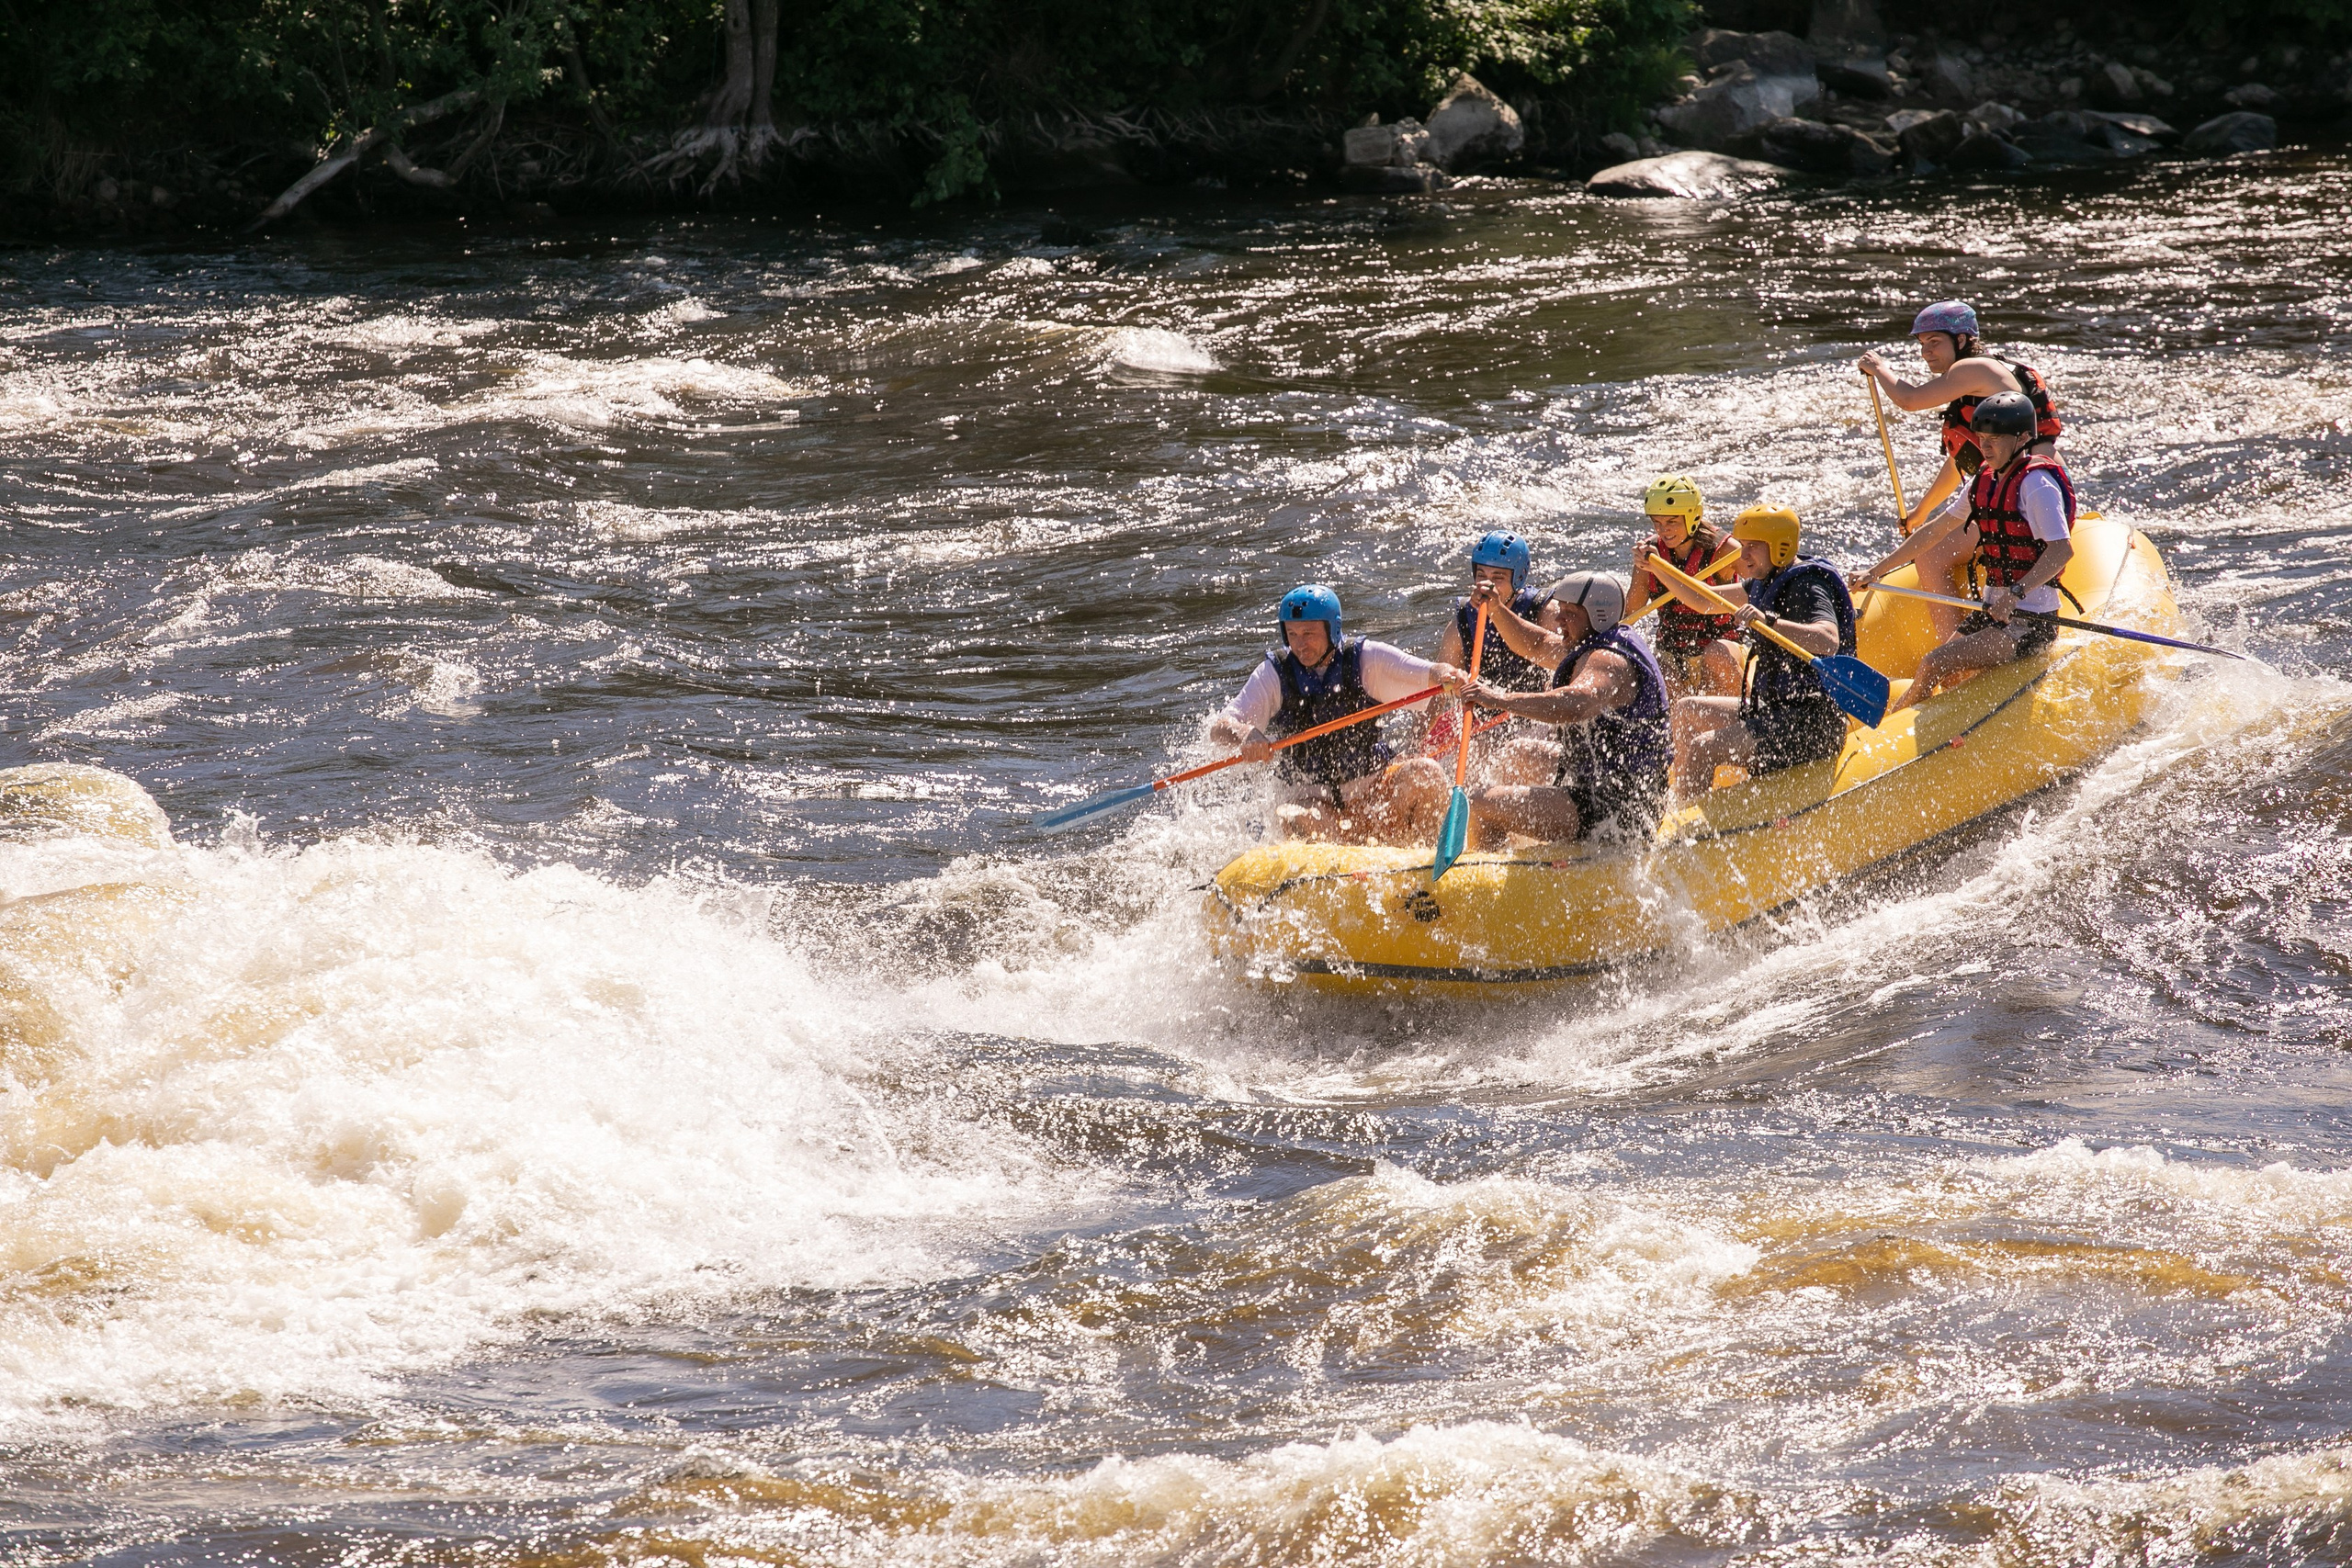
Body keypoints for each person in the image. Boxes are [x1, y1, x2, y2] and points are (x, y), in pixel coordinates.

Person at [1853, 392, 2077, 714]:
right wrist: (1875, 571)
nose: (1985, 447)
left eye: (1996, 439)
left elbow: (2061, 550)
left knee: (1933, 662)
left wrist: (2015, 594)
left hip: (2030, 621)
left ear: (2024, 438)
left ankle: (1888, 728)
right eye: (1982, 438)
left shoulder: (2037, 485)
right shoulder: (1983, 479)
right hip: (1993, 612)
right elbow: (1935, 530)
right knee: (1951, 674)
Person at [1858, 301, 2064, 640]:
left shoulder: (1974, 370)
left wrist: (1879, 368)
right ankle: (1963, 642)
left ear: (1964, 340)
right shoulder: (1975, 387)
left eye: (1935, 342)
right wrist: (1920, 513)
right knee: (1939, 539)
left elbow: (1908, 400)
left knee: (1930, 556)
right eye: (1922, 345)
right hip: (2012, 492)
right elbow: (1961, 461)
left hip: (2027, 499)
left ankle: (1955, 650)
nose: (1926, 353)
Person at [1209, 584, 1469, 842]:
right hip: (1314, 803)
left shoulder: (1366, 659)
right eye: (1293, 634)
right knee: (1296, 814)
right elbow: (1221, 727)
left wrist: (1448, 675)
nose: (1301, 645)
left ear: (1332, 629)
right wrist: (1246, 734)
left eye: (1309, 633)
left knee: (1426, 772)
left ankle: (1429, 860)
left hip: (1374, 794)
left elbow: (1430, 673)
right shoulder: (1273, 674)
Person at [1660, 506, 1859, 798]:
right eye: (1743, 545)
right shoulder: (1764, 582)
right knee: (1687, 709)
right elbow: (1703, 601)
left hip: (1811, 725)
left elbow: (1828, 640)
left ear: (1780, 546)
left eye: (1753, 546)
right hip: (1774, 710)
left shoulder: (1807, 585)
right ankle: (1680, 801)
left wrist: (1770, 622)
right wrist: (1657, 568)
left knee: (1705, 746)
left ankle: (1686, 832)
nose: (1743, 555)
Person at [1461, 572, 1670, 845]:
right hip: (1597, 782)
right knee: (1516, 754)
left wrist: (1497, 699)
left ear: (1599, 615)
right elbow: (1535, 644)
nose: (1558, 619)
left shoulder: (1609, 660)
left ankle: (1489, 874)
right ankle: (1520, 845)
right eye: (1559, 609)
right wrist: (1497, 610)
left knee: (1480, 804)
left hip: (1621, 808)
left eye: (1569, 612)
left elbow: (1575, 704)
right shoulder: (1593, 640)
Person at [1625, 475, 1742, 697]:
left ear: (1693, 517)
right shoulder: (1648, 553)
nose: (1663, 530)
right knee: (1661, 673)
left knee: (1715, 656)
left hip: (1723, 648)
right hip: (1672, 653)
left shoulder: (1727, 551)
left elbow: (1762, 584)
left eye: (1672, 522)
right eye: (1657, 522)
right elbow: (1632, 612)